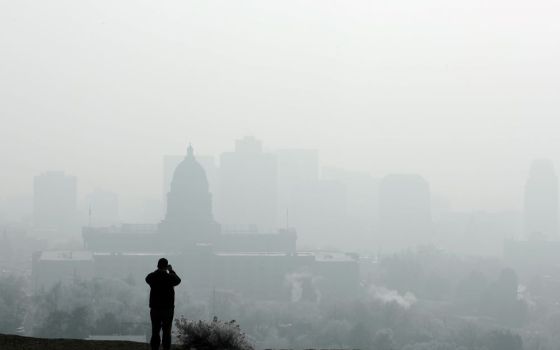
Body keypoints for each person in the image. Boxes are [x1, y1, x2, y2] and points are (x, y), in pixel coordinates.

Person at [145, 258, 181, 350]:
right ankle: (166, 348)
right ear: (166, 266)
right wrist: (171, 270)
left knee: (155, 331)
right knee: (167, 332)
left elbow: (147, 278)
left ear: (158, 266)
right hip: (167, 309)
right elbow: (178, 280)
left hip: (155, 308)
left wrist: (158, 271)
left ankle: (154, 348)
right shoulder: (169, 277)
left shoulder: (153, 277)